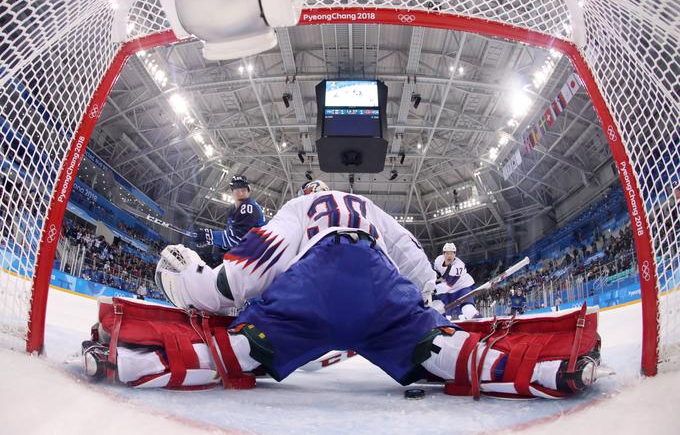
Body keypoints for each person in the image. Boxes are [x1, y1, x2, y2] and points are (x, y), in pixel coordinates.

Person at [81, 181, 603, 399]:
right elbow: (408, 253)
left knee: (240, 349)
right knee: (442, 349)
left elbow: (242, 275)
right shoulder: (366, 206)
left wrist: (195, 282)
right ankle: (555, 367)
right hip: (378, 287)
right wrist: (428, 300)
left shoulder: (300, 209)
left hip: (314, 289)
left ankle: (126, 358)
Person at [194, 175, 266, 252]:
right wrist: (219, 242)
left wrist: (211, 236)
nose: (241, 193)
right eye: (237, 190)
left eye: (244, 190)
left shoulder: (248, 207)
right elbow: (232, 237)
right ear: (232, 192)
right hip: (254, 252)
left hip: (259, 252)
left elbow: (238, 238)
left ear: (248, 192)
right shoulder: (233, 209)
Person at [431, 243, 479, 320]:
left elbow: (448, 285)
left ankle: (482, 325)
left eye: (451, 253)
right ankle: (440, 326)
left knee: (468, 309)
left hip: (462, 288)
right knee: (437, 307)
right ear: (443, 254)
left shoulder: (458, 266)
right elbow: (436, 275)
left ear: (455, 254)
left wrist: (433, 289)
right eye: (447, 253)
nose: (449, 256)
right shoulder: (438, 260)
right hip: (447, 291)